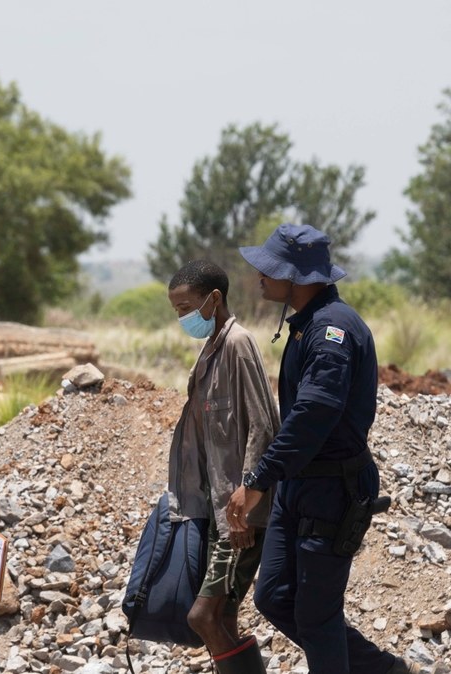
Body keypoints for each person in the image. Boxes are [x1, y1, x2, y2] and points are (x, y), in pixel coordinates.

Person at [227, 224, 412, 673]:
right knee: (274, 596)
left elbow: (313, 416)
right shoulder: (305, 325)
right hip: (299, 486)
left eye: (270, 269)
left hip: (333, 491)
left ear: (299, 277)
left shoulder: (332, 331)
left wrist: (256, 481)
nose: (260, 277)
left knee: (316, 616)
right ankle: (384, 670)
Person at [165, 260, 278, 673]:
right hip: (219, 510)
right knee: (221, 617)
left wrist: (247, 499)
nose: (182, 318)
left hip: (240, 512)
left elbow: (263, 425)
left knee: (202, 617)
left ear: (214, 299)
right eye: (176, 311)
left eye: (185, 308)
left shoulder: (237, 344)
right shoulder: (209, 350)